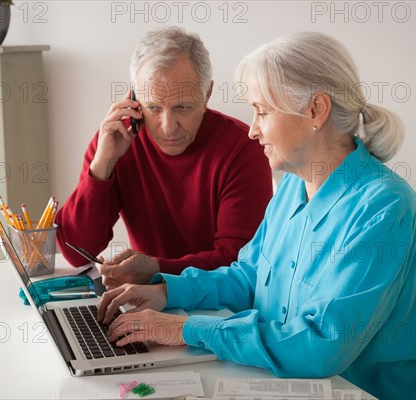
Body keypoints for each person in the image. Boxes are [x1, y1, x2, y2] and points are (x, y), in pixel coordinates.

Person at [97, 32, 416, 399]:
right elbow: (249, 276)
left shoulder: (384, 207)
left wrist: (184, 329)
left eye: (262, 111)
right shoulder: (294, 184)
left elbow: (322, 346)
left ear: (315, 110)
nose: (253, 129)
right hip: (284, 381)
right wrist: (166, 290)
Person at [56, 27, 273, 287]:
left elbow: (240, 262)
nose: (168, 127)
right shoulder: (116, 140)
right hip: (142, 302)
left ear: (207, 95)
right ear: (135, 99)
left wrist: (157, 270)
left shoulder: (243, 148)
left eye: (182, 107)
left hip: (219, 308)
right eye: (153, 108)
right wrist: (102, 166)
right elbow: (75, 253)